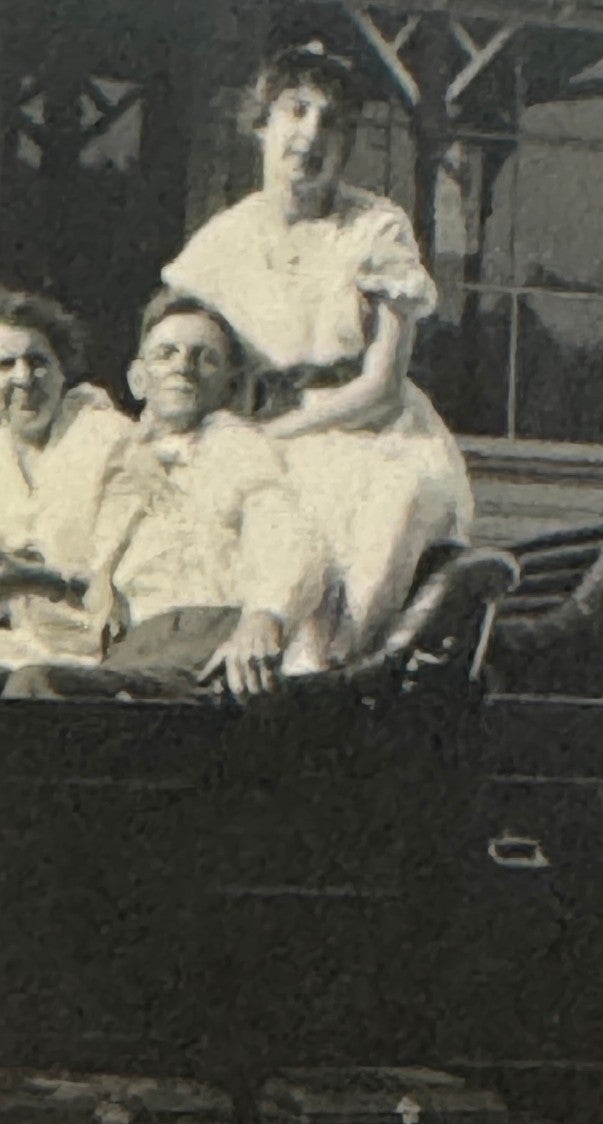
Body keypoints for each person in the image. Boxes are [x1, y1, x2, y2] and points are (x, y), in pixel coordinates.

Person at [160, 40, 473, 671]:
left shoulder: (375, 228)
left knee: (391, 508)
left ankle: (327, 680)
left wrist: (275, 435)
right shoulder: (223, 242)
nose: (311, 135)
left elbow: (382, 388)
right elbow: (176, 356)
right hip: (261, 434)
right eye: (295, 111)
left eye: (332, 121)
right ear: (262, 125)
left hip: (374, 434)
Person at [4, 293, 325, 701]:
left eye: (204, 357)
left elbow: (288, 531)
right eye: (166, 353)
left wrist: (265, 617)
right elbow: (91, 580)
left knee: (34, 690)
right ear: (138, 380)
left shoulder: (237, 448)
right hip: (132, 652)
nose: (183, 366)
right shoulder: (120, 458)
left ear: (231, 384)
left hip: (206, 640)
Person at [0, 289, 135, 670]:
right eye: (5, 364)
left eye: (38, 361)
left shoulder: (109, 439)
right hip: (20, 647)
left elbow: (127, 582)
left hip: (103, 653)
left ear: (63, 370)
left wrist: (39, 579)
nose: (24, 378)